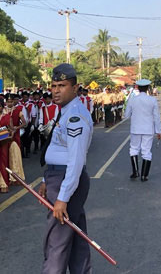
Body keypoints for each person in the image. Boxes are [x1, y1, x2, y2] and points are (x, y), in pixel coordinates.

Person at [38, 64, 93, 273]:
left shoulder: (75, 116)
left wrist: (62, 197)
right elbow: (56, 147)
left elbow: (76, 160)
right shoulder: (65, 112)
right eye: (53, 85)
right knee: (77, 239)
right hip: (57, 177)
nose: (56, 90)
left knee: (56, 241)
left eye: (62, 85)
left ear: (75, 88)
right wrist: (45, 180)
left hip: (66, 180)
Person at [124, 79, 161, 181]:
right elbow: (156, 117)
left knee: (133, 149)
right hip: (148, 129)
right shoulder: (152, 100)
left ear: (138, 88)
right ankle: (144, 175)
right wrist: (158, 131)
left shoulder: (132, 99)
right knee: (146, 151)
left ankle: (135, 172)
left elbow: (126, 115)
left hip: (135, 128)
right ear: (148, 88)